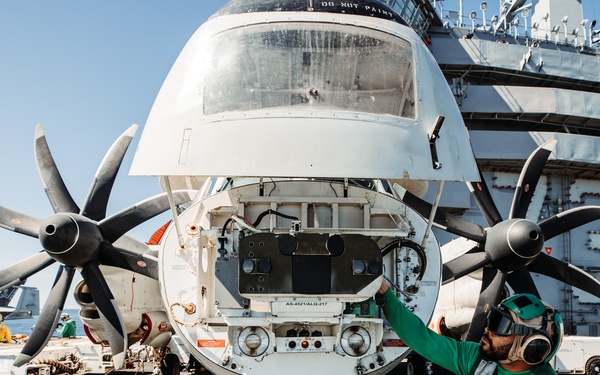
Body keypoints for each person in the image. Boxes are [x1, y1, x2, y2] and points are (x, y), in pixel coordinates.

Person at [378, 281, 563, 375]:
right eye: (492, 319)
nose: (487, 330)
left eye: (500, 325)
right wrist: (385, 292)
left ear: (530, 346)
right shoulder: (477, 359)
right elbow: (422, 339)